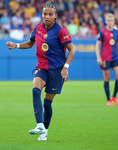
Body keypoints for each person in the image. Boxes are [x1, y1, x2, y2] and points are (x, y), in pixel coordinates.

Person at [6, 3, 75, 141]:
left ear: (55, 16)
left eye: (50, 14)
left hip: (56, 71)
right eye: (45, 14)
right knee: (35, 90)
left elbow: (71, 49)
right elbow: (30, 43)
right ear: (42, 15)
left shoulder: (61, 31)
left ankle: (45, 130)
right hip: (42, 67)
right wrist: (17, 45)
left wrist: (65, 67)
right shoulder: (37, 28)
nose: (47, 16)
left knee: (47, 104)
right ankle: (39, 125)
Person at [95, 13, 118, 106]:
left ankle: (114, 96)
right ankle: (108, 100)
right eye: (108, 21)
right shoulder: (102, 32)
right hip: (105, 58)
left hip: (115, 58)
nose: (110, 22)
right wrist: (98, 57)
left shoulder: (117, 32)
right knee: (107, 78)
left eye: (111, 21)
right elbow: (97, 46)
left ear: (114, 21)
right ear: (106, 22)